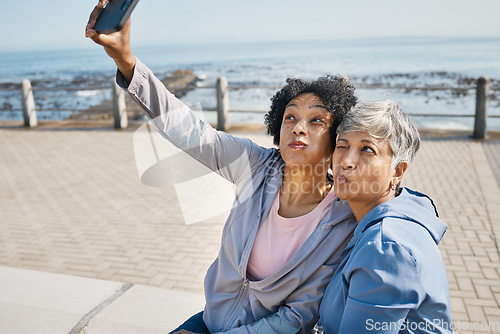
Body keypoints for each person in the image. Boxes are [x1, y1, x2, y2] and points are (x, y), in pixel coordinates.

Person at [86, 1, 358, 332]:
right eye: (290, 117)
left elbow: (299, 315)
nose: (298, 128)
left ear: (337, 138)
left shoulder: (343, 217)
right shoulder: (255, 165)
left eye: (316, 120)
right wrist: (125, 60)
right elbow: (187, 130)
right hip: (210, 321)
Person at [318, 101, 453, 333]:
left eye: (367, 149)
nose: (346, 162)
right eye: (342, 145)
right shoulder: (391, 212)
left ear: (397, 172)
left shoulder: (386, 247)